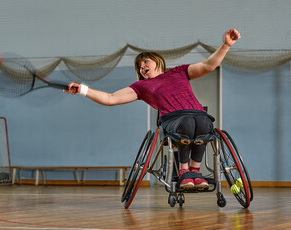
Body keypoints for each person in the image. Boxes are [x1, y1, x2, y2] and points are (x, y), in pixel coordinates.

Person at [65, 29, 241, 189]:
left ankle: (195, 171)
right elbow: (110, 99)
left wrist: (226, 45)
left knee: (204, 122)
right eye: (140, 67)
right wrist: (82, 89)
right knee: (187, 124)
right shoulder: (141, 86)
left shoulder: (179, 71)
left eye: (145, 62)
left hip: (197, 113)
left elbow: (208, 66)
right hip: (173, 119)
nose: (142, 68)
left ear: (158, 61)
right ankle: (184, 171)